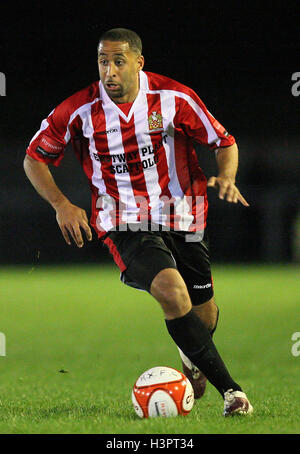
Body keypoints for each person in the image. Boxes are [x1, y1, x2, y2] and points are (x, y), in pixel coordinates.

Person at [23, 28, 253, 416]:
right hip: (122, 219)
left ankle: (190, 352)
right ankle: (233, 393)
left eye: (118, 61)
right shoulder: (80, 109)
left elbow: (223, 141)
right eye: (102, 62)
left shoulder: (174, 98)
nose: (109, 71)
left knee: (204, 313)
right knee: (171, 291)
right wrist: (61, 204)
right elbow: (34, 158)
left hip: (183, 214)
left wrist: (227, 177)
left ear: (138, 63)